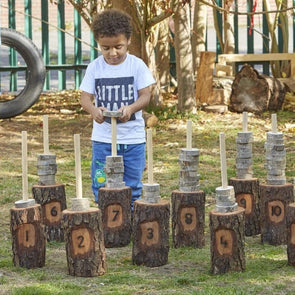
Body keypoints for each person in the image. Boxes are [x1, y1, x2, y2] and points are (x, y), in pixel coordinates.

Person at [79, 9, 155, 209]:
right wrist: (94, 110)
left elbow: (146, 95)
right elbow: (84, 98)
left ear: (128, 40)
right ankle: (104, 211)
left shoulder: (136, 66)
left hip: (132, 138)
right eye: (106, 48)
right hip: (103, 138)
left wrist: (131, 108)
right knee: (101, 179)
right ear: (98, 44)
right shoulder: (95, 68)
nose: (112, 53)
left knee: (132, 180)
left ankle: (130, 213)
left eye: (118, 47)